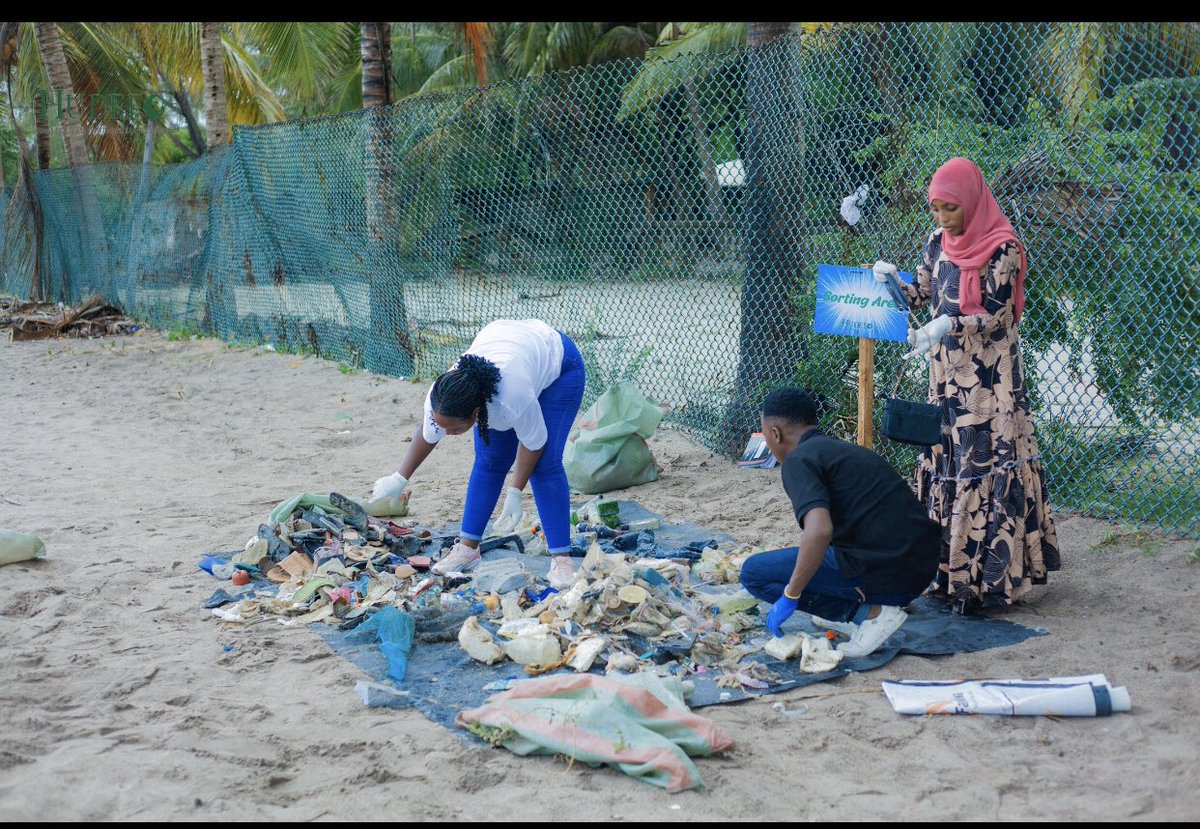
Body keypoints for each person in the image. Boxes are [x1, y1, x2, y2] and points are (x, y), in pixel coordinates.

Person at [872, 156, 1060, 615]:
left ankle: (989, 583)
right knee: (948, 460)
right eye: (935, 208)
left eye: (949, 209)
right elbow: (920, 293)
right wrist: (891, 282)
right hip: (947, 376)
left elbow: (998, 313)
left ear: (971, 203)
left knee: (988, 462)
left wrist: (946, 325)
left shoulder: (1004, 247)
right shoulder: (937, 242)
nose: (941, 218)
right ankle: (947, 575)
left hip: (991, 380)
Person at [371, 319, 586, 590]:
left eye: (456, 428)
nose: (447, 433)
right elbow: (428, 432)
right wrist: (399, 478)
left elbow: (534, 444)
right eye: (443, 425)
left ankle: (562, 561)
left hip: (559, 365)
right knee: (490, 461)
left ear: (476, 412)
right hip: (511, 350)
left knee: (545, 466)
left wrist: (515, 492)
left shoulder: (511, 398)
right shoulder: (444, 393)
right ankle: (467, 549)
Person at [739, 388, 941, 658]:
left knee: (754, 573)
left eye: (766, 435)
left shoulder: (798, 460)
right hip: (918, 569)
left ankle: (868, 614)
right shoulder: (839, 449)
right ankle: (854, 608)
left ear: (775, 433)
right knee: (805, 561)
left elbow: (820, 530)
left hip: (887, 573)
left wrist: (791, 594)